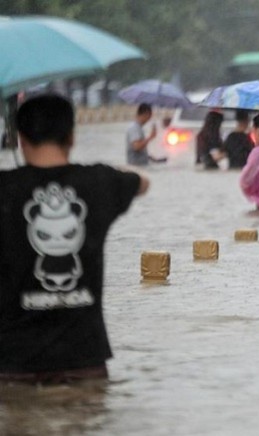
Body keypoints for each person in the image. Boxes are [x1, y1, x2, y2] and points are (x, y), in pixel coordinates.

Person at [0, 94, 149, 384]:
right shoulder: (100, 182)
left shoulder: (4, 189)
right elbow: (143, 182)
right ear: (71, 136)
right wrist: (112, 172)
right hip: (85, 362)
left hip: (13, 365)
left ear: (20, 137)